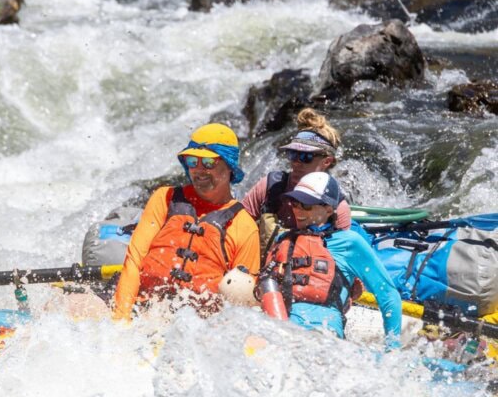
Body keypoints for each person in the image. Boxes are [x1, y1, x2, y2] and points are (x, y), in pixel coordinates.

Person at [113, 123, 260, 321]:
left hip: (197, 327)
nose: (199, 171)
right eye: (192, 161)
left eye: (208, 163)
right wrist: (121, 319)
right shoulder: (164, 198)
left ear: (229, 166)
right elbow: (133, 261)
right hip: (146, 310)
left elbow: (243, 303)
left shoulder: (244, 225)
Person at [260, 171, 402, 350]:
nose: (298, 210)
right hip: (280, 332)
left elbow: (388, 295)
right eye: (295, 203)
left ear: (328, 209)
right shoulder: (284, 241)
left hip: (324, 338)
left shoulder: (349, 242)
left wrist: (392, 348)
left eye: (306, 205)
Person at [241, 108, 352, 262]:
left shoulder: (337, 209)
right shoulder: (271, 186)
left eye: (306, 157)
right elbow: (239, 227)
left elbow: (343, 262)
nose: (296, 163)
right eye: (293, 154)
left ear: (327, 161)